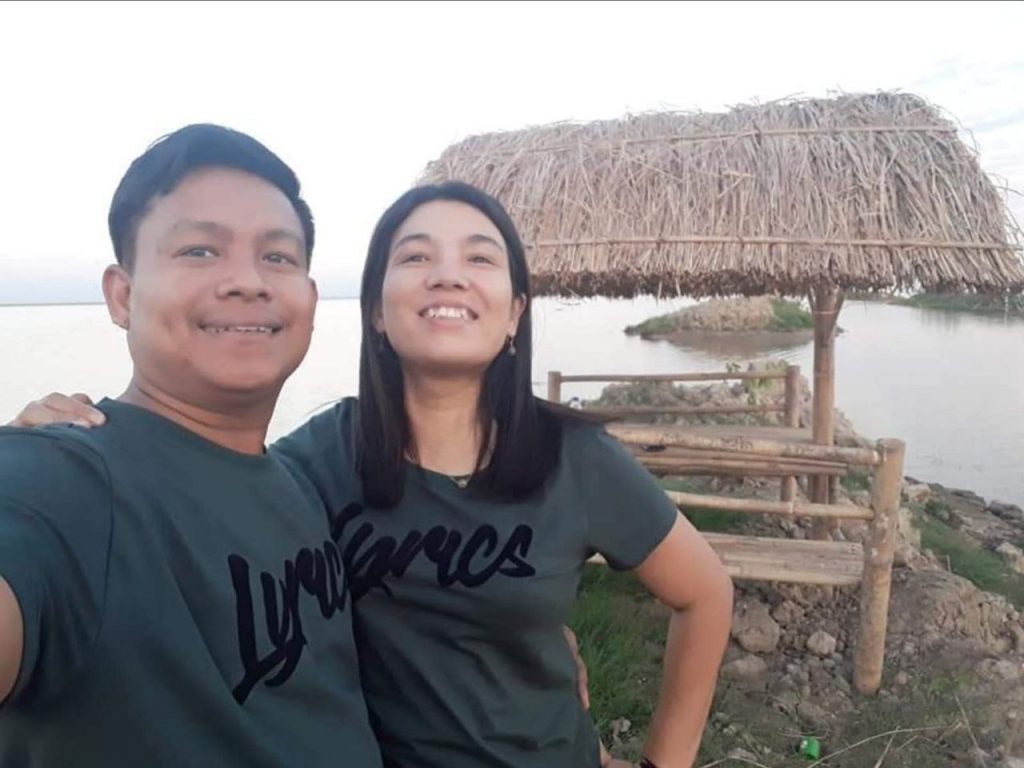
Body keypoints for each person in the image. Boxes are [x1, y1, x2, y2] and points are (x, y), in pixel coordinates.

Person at [15, 181, 735, 767]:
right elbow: (196, 493)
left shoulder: (574, 457)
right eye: (416, 256)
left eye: (480, 258)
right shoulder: (314, 463)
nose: (448, 273)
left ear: (515, 313)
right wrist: (62, 440)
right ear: (378, 312)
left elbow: (704, 592)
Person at [0, 124, 383, 766]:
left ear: (311, 299)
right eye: (200, 251)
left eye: (278, 257)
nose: (248, 281)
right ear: (123, 296)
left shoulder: (298, 483)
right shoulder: (65, 479)